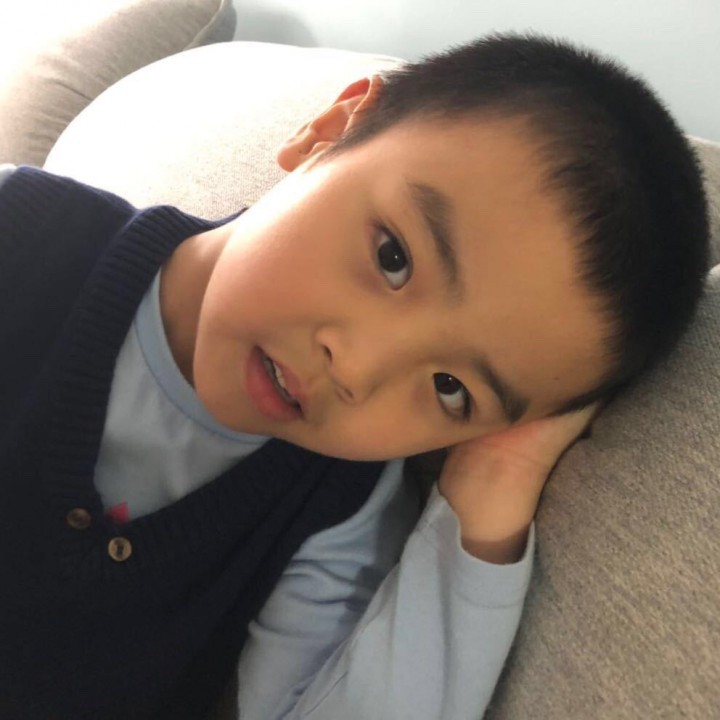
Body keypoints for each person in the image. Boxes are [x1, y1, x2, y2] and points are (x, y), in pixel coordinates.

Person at [0, 33, 708, 720]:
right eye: (393, 258)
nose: (359, 371)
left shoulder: (340, 510)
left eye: (451, 389)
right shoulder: (22, 231)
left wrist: (497, 477)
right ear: (331, 130)